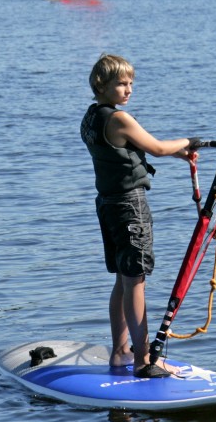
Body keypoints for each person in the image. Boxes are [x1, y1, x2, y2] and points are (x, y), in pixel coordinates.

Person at [80, 54, 200, 378]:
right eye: (121, 83)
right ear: (101, 85)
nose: (128, 89)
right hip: (129, 207)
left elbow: (134, 149)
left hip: (107, 204)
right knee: (136, 281)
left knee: (123, 276)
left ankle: (121, 351)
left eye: (131, 82)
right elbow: (158, 148)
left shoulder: (91, 118)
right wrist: (191, 141)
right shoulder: (119, 119)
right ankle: (143, 360)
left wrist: (180, 152)